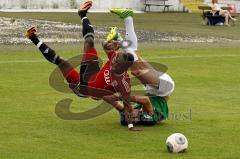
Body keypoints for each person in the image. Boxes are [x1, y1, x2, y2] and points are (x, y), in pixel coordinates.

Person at [25, 1, 139, 131]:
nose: (114, 62)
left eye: (117, 63)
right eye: (116, 59)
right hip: (91, 74)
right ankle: (82, 14)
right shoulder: (114, 58)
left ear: (123, 68)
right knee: (89, 41)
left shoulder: (124, 83)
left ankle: (32, 37)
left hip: (83, 88)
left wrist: (130, 126)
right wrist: (114, 43)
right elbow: (104, 45)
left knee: (62, 62)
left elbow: (128, 104)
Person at [103, 8, 175, 126]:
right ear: (137, 120)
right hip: (163, 87)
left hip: (153, 89)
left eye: (128, 114)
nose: (131, 113)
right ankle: (124, 28)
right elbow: (145, 101)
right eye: (133, 116)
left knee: (134, 55)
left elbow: (117, 105)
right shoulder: (149, 118)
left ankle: (124, 29)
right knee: (136, 70)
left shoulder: (130, 112)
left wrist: (101, 95)